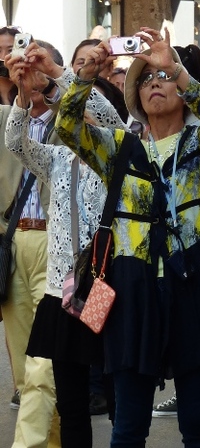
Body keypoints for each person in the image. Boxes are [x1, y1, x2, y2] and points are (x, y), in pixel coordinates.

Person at [56, 27, 200, 447]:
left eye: (163, 79)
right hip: (131, 285)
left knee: (196, 419)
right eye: (145, 81)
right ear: (135, 98)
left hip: (191, 279)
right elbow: (67, 127)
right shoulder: (118, 147)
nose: (155, 84)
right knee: (129, 423)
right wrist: (85, 74)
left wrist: (174, 66)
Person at [6, 46, 126, 448]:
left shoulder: (117, 154)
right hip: (63, 292)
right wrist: (23, 95)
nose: (77, 119)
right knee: (72, 401)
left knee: (117, 393)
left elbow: (107, 115)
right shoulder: (57, 157)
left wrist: (60, 73)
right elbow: (16, 144)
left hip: (106, 287)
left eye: (82, 110)